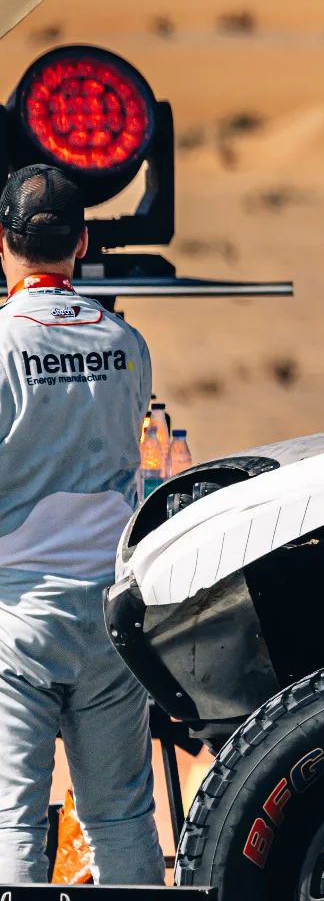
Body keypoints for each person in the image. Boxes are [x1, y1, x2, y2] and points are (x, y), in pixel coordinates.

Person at [0, 165, 159, 884]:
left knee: (13, 821)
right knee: (122, 815)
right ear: (83, 241)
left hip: (19, 616)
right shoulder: (127, 343)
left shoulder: (4, 344)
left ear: (1, 243)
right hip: (111, 614)